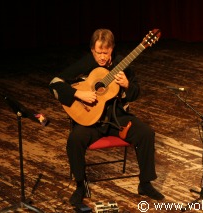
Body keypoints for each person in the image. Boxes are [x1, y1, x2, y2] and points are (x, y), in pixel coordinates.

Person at [49, 28, 164, 205]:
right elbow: (55, 84)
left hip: (117, 118)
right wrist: (78, 95)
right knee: (74, 139)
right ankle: (80, 185)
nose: (102, 57)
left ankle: (145, 183)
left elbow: (135, 92)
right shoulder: (85, 63)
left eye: (106, 52)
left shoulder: (121, 64)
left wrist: (126, 85)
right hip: (91, 122)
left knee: (146, 133)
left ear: (112, 49)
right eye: (98, 52)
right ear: (92, 50)